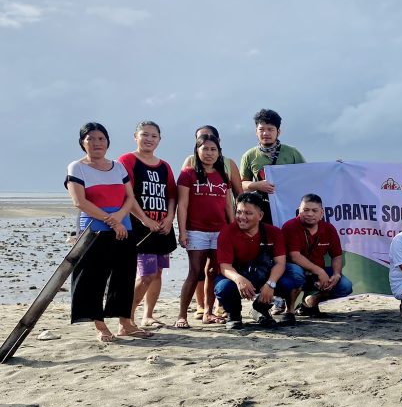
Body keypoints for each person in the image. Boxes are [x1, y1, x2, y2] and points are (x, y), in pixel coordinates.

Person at [64, 122, 157, 342]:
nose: (96, 143)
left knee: (124, 277)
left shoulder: (118, 167)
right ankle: (100, 325)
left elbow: (129, 198)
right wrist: (111, 221)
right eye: (90, 139)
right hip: (94, 230)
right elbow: (79, 201)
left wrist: (120, 219)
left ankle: (125, 323)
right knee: (93, 279)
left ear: (107, 142)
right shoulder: (77, 167)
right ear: (82, 143)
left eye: (101, 139)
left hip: (124, 229)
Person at [214, 193, 304, 328]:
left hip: (263, 275)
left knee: (293, 276)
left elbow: (280, 263)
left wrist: (270, 284)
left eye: (248, 213)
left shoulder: (274, 232)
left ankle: (260, 308)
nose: (242, 217)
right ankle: (234, 315)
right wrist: (239, 279)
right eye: (239, 212)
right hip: (238, 275)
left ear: (260, 215)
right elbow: (225, 266)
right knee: (223, 287)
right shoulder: (227, 232)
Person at [118, 121, 177, 329]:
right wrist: (144, 219)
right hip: (139, 228)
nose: (149, 139)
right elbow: (127, 195)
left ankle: (148, 315)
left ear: (159, 140)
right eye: (145, 135)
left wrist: (170, 218)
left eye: (154, 136)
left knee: (158, 272)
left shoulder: (164, 166)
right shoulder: (127, 160)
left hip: (162, 228)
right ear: (136, 136)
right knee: (145, 275)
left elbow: (172, 195)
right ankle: (127, 318)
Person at [182, 125, 242, 322]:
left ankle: (209, 312)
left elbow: (228, 204)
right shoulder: (188, 173)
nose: (208, 153)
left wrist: (234, 227)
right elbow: (182, 205)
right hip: (196, 230)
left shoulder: (223, 173)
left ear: (219, 151)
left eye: (213, 149)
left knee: (213, 271)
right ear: (197, 150)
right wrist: (182, 232)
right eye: (204, 149)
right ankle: (183, 315)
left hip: (220, 230)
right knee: (195, 271)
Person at [282, 193, 354, 316]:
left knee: (345, 286)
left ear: (322, 212)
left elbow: (336, 255)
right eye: (306, 210)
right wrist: (320, 272)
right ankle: (289, 310)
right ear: (299, 210)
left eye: (314, 210)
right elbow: (294, 256)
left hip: (317, 274)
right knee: (295, 272)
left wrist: (336, 275)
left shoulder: (329, 229)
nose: (310, 214)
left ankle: (309, 304)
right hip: (293, 272)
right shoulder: (290, 226)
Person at [239, 109, 305, 224]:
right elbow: (242, 184)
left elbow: (307, 175)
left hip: (289, 207)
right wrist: (257, 185)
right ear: (256, 131)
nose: (265, 133)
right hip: (262, 209)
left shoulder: (292, 152)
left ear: (278, 132)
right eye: (261, 129)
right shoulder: (249, 155)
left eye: (270, 129)